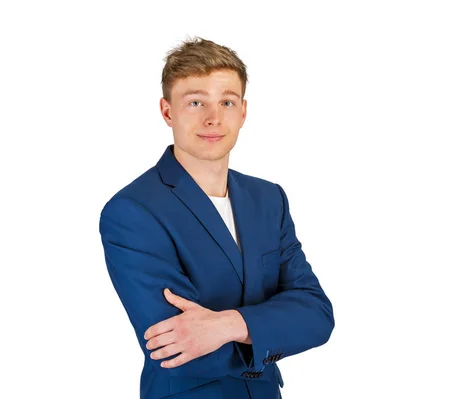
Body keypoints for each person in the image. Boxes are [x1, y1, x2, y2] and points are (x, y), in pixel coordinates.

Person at [98, 37, 334, 399]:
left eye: (226, 102)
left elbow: (317, 314)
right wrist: (272, 327)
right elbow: (177, 348)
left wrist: (227, 324)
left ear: (243, 111)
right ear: (167, 111)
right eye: (195, 102)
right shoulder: (133, 211)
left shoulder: (269, 198)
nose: (213, 117)